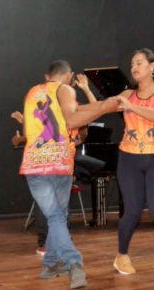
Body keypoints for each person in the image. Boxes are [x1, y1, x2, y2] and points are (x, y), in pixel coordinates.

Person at [19, 60, 125, 289]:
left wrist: (105, 105)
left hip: (35, 165)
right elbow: (73, 119)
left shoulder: (32, 93)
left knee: (56, 216)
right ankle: (74, 262)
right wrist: (104, 107)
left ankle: (49, 264)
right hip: (59, 164)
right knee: (58, 217)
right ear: (68, 76)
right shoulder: (65, 89)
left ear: (48, 76)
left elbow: (28, 132)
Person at [11, 74, 101, 256]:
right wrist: (85, 88)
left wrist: (21, 134)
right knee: (55, 204)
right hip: (56, 160)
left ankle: (51, 242)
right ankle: (49, 242)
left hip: (51, 160)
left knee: (52, 204)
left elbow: (81, 129)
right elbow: (95, 109)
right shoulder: (65, 108)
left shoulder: (61, 107)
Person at [113, 48, 154, 285]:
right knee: (132, 211)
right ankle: (121, 255)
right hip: (128, 158)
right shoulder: (126, 94)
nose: (134, 67)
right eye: (132, 64)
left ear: (152, 66)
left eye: (139, 62)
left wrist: (132, 108)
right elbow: (103, 107)